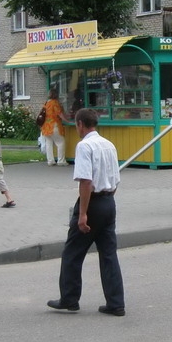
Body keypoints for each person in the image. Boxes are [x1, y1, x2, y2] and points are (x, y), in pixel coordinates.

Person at [47, 108, 125, 317]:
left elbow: (86, 180)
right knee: (109, 254)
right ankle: (116, 303)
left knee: (72, 252)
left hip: (92, 203)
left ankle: (69, 299)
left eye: (76, 125)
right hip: (109, 202)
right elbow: (116, 179)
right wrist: (107, 200)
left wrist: (83, 214)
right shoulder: (109, 145)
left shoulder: (84, 146)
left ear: (81, 124)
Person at [40, 88, 69, 166]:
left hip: (45, 126)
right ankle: (61, 161)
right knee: (60, 142)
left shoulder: (46, 103)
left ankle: (50, 161)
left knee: (49, 143)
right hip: (54, 125)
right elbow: (59, 113)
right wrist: (67, 120)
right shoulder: (55, 103)